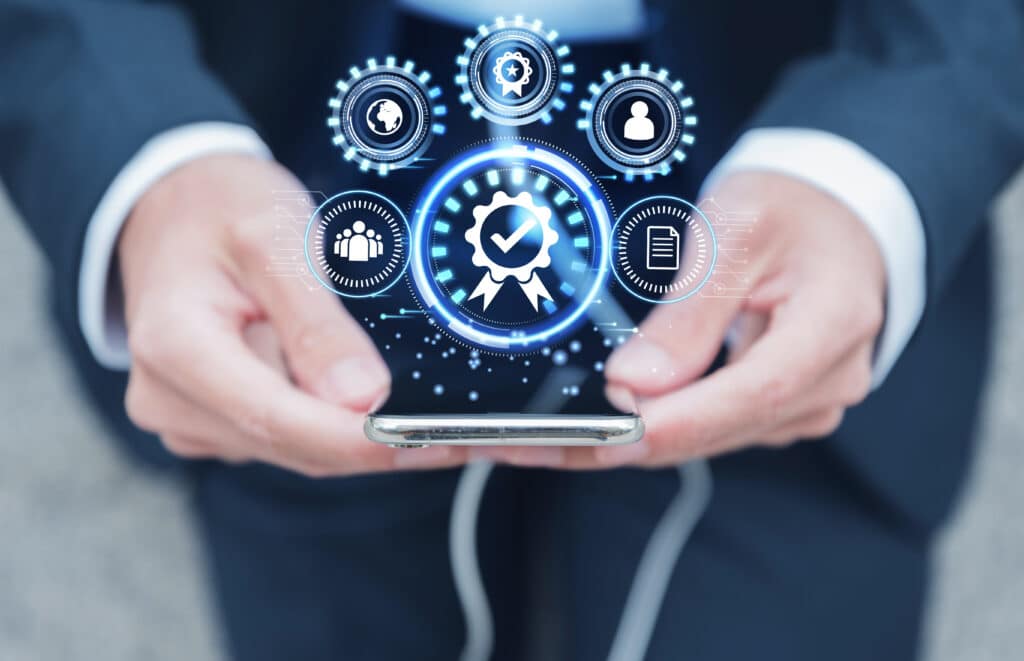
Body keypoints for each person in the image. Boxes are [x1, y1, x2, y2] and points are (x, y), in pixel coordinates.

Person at [1, 1, 1022, 660]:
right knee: (323, 564)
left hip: (783, 122)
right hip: (294, 136)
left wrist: (870, 164)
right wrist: (150, 162)